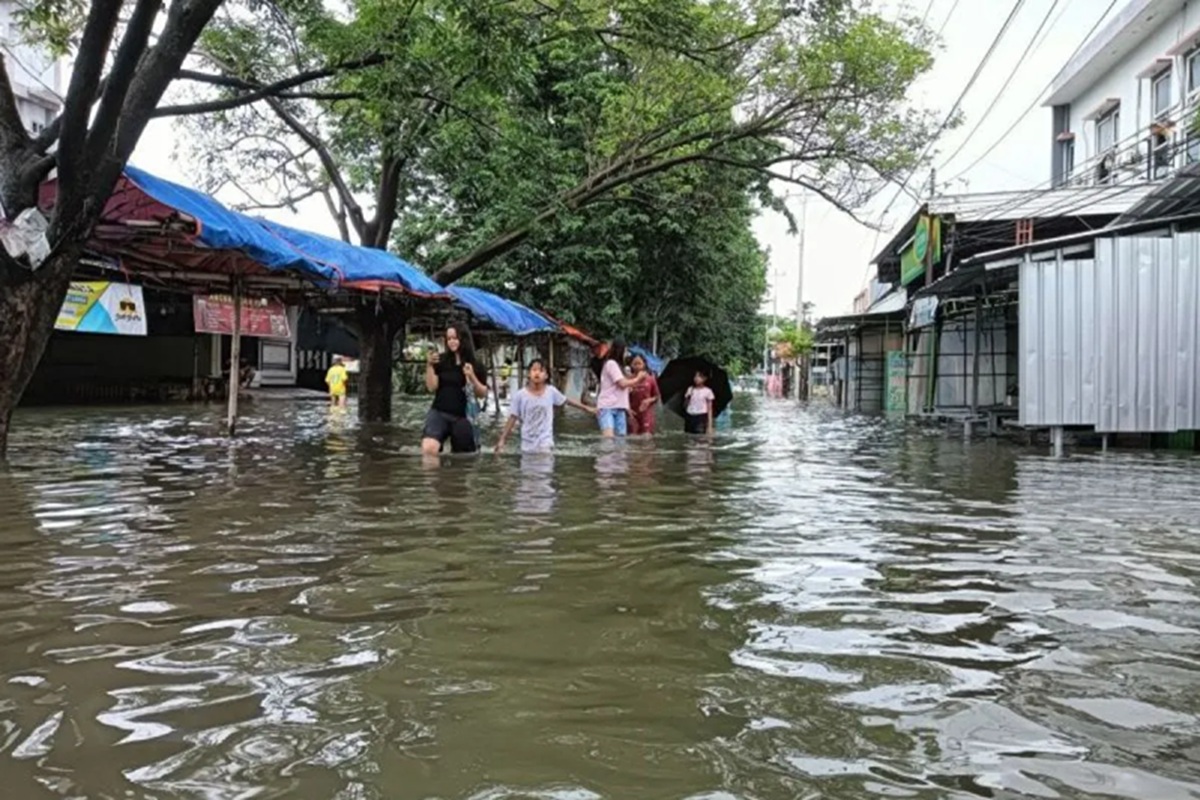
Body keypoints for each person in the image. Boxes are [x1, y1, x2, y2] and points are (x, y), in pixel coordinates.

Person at [495, 358, 596, 454]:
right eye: (534, 370)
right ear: (529, 374)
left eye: (541, 370)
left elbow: (566, 401)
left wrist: (586, 408)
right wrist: (502, 440)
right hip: (527, 443)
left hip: (545, 442)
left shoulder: (551, 391)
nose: (537, 373)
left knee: (544, 468)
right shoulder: (520, 395)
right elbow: (512, 418)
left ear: (546, 376)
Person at [422, 324, 489, 454]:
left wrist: (471, 376)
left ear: (463, 339)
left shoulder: (476, 364)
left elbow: (482, 393)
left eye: (455, 338)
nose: (451, 341)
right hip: (439, 411)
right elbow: (431, 387)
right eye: (449, 339)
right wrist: (429, 366)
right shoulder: (440, 360)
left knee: (462, 457)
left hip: (463, 417)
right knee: (429, 448)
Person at [595, 338, 645, 438]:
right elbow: (622, 383)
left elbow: (623, 386)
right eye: (626, 351)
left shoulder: (619, 366)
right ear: (620, 350)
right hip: (608, 407)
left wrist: (627, 408)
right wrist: (638, 379)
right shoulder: (611, 364)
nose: (627, 354)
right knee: (609, 438)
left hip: (620, 407)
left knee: (621, 439)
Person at [627, 354, 660, 435]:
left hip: (646, 414)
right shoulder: (628, 380)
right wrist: (627, 410)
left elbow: (657, 396)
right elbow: (622, 398)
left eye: (639, 363)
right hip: (632, 414)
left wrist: (649, 400)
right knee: (632, 438)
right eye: (635, 364)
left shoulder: (650, 379)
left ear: (644, 364)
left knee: (646, 438)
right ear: (631, 365)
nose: (637, 366)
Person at [684, 369, 716, 434]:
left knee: (699, 437)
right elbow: (685, 405)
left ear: (705, 379)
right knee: (689, 435)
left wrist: (709, 426)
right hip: (690, 416)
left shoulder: (708, 391)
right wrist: (687, 398)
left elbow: (710, 409)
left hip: (701, 417)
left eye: (699, 376)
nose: (696, 378)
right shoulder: (690, 389)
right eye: (695, 376)